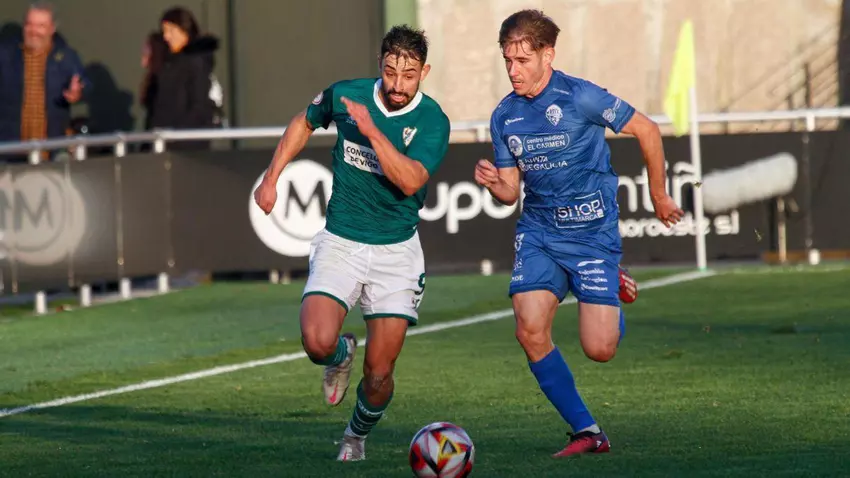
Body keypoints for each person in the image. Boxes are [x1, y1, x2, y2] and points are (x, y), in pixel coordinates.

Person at [473, 9, 683, 457]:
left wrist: (659, 196)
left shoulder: (580, 96)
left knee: (600, 349)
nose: (513, 70)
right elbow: (510, 192)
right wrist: (494, 184)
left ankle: (611, 280)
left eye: (523, 60)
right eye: (507, 60)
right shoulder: (504, 115)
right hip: (539, 232)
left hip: (591, 234)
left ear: (548, 55)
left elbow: (647, 130)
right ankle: (587, 431)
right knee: (529, 330)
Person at [253, 25, 450, 462]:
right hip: (341, 239)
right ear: (380, 64)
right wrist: (271, 177)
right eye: (391, 72)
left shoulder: (433, 120)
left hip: (396, 252)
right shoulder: (347, 95)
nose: (398, 84)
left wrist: (372, 130)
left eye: (409, 75)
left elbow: (410, 180)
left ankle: (355, 437)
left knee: (379, 374)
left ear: (424, 73)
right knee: (316, 341)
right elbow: (305, 121)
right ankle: (341, 353)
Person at [0, 2, 85, 151]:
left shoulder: (66, 57)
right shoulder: (6, 55)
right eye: (29, 24)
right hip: (10, 148)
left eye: (40, 26)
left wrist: (76, 93)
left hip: (51, 147)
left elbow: (84, 83)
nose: (33, 31)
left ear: (52, 28)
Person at [151, 7, 219, 149]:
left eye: (171, 31)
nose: (166, 37)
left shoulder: (196, 63)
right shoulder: (169, 64)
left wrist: (176, 134)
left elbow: (200, 106)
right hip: (165, 142)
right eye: (164, 31)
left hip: (186, 145)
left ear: (185, 30)